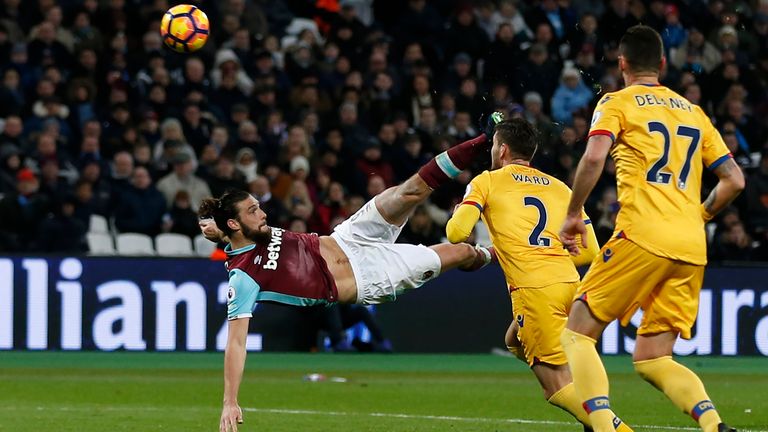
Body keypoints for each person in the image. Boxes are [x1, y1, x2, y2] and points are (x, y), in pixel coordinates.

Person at [202, 118, 503, 432]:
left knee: (410, 190)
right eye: (253, 211)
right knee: (461, 251)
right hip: (368, 277)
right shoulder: (243, 278)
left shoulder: (249, 232)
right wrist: (230, 401)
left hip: (348, 237)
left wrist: (216, 227)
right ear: (236, 225)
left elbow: (224, 233)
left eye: (258, 206)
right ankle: (505, 252)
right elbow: (235, 344)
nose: (262, 213)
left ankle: (484, 140)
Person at [558, 25, 744, 432]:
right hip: (692, 245)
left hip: (641, 233)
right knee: (653, 357)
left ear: (621, 63)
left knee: (576, 333)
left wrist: (574, 212)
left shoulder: (616, 102)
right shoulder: (693, 111)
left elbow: (592, 159)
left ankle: (606, 428)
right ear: (662, 64)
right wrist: (700, 217)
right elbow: (734, 180)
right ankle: (715, 425)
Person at [445, 118, 633, 432]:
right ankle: (593, 412)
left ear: (502, 149)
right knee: (514, 339)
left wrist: (466, 216)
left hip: (535, 291)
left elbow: (456, 232)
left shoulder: (486, 181)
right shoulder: (559, 187)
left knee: (555, 387)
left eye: (494, 146)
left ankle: (612, 426)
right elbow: (589, 252)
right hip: (570, 286)